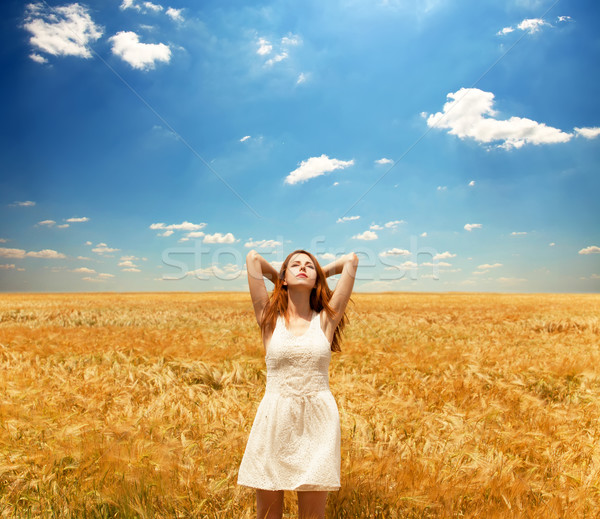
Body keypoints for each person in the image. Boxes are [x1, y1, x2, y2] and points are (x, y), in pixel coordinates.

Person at [237, 248, 359, 519]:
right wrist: (284, 277)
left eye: (309, 266)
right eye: (295, 265)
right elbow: (253, 259)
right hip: (274, 419)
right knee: (268, 516)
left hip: (318, 422)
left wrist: (318, 274)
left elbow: (351, 261)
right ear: (282, 278)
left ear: (317, 281)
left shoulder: (326, 320)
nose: (302, 267)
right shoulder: (269, 319)